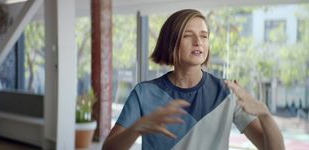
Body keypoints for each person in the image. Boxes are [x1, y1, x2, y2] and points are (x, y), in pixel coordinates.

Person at [102, 9, 284, 150]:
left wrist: (265, 115)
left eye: (204, 36)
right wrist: (137, 129)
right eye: (188, 35)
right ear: (171, 42)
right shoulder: (143, 93)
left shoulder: (228, 92)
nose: (198, 42)